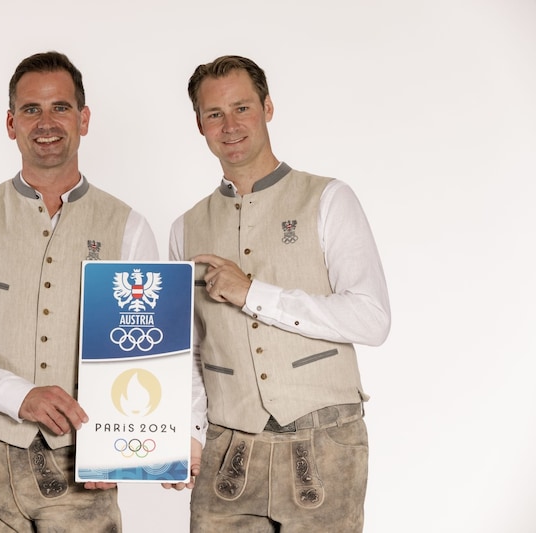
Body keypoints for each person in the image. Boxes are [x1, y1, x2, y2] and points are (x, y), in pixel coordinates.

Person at [0, 51, 158, 532]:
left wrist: (122, 449)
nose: (46, 123)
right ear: (11, 123)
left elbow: (145, 348)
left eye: (60, 108)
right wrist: (16, 395)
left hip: (81, 462)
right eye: (31, 109)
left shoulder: (127, 226)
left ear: (84, 119)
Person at [166, 55, 391, 532]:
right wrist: (189, 432)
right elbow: (188, 349)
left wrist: (254, 294)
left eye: (242, 108)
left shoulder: (328, 198)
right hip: (228, 449)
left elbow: (372, 318)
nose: (230, 125)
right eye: (214, 114)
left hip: (325, 442)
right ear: (200, 125)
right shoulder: (185, 229)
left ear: (268, 107)